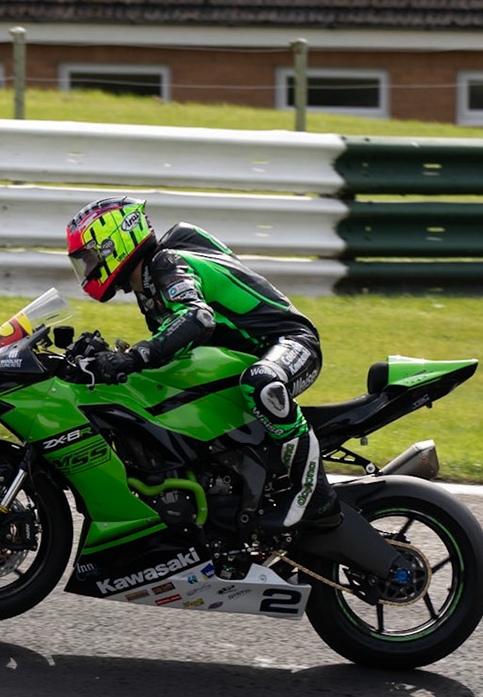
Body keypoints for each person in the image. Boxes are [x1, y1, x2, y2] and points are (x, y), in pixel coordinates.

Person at [64, 196, 338, 531]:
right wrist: (107, 355)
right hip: (247, 358)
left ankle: (318, 495)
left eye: (90, 258)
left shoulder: (166, 263)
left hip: (292, 342)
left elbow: (197, 318)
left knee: (261, 383)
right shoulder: (146, 285)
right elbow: (172, 342)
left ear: (114, 245)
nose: (87, 270)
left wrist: (133, 357)